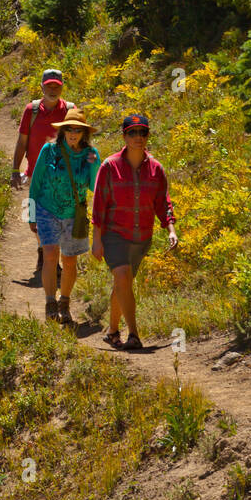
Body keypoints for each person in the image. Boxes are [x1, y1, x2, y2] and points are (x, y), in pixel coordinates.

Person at [91, 113, 177, 351]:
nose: (138, 137)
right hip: (114, 234)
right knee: (122, 275)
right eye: (133, 133)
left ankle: (112, 331)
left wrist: (171, 229)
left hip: (142, 237)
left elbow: (163, 202)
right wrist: (97, 240)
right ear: (124, 136)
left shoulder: (156, 169)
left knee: (124, 283)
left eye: (143, 132)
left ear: (148, 135)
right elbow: (99, 205)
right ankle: (134, 335)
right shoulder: (110, 166)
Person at [27, 108, 100, 324]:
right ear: (63, 130)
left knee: (69, 261)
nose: (73, 133)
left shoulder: (90, 155)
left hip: (73, 214)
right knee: (50, 254)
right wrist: (31, 215)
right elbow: (36, 183)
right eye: (69, 129)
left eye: (78, 130)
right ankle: (50, 303)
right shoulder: (49, 150)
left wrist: (94, 163)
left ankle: (64, 303)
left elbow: (96, 186)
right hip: (46, 209)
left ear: (84, 133)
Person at [10, 69, 74, 277]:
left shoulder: (71, 111)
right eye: (49, 86)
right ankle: (42, 249)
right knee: (33, 219)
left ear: (62, 87)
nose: (53, 90)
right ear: (42, 87)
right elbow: (22, 142)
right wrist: (14, 170)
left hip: (62, 178)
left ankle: (51, 259)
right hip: (34, 175)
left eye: (56, 86)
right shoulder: (32, 110)